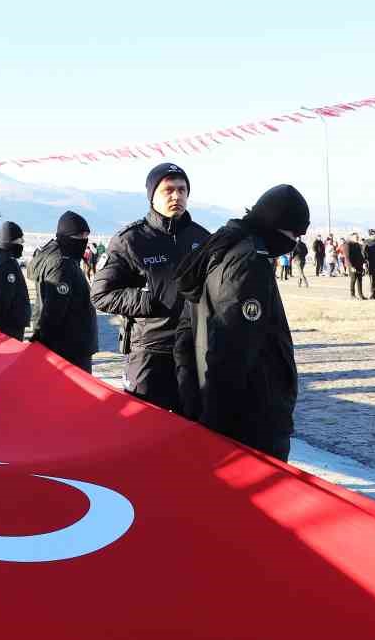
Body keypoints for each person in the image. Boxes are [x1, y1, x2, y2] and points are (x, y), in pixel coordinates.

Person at [175, 184, 309, 460]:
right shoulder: (248, 261)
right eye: (294, 233)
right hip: (251, 419)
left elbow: (185, 337)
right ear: (275, 223)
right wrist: (215, 423)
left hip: (220, 410)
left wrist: (193, 403)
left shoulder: (218, 249)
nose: (294, 241)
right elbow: (231, 348)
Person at [91, 162, 209, 411]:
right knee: (144, 427)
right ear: (152, 196)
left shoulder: (202, 238)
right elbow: (101, 294)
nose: (177, 196)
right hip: (150, 352)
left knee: (192, 429)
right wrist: (148, 300)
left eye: (182, 189)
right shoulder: (131, 240)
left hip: (192, 351)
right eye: (168, 190)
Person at [29, 210, 98, 372]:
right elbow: (54, 310)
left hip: (70, 345)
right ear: (67, 236)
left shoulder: (59, 256)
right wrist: (43, 342)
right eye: (79, 237)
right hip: (70, 347)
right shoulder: (62, 264)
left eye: (85, 236)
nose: (84, 241)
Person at [0, 220, 31, 340]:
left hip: (9, 323)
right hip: (10, 324)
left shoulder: (1, 259)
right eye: (19, 240)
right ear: (10, 241)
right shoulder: (7, 264)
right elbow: (3, 297)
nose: (22, 243)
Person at [345, 232, 366, 299]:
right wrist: (351, 267)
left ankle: (361, 295)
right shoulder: (348, 245)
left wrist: (364, 263)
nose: (357, 238)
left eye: (357, 237)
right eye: (355, 237)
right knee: (353, 280)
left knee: (360, 280)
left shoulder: (358, 245)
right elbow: (347, 257)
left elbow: (360, 255)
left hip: (359, 265)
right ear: (351, 238)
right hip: (352, 266)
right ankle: (352, 295)